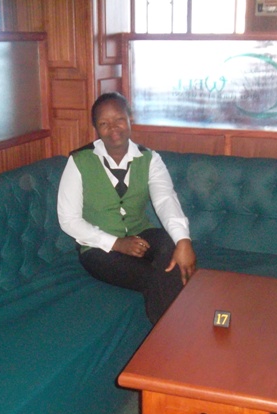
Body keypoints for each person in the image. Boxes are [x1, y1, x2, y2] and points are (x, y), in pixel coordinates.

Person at [57, 92, 197, 324]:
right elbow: (68, 220)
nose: (113, 127)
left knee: (171, 246)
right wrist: (117, 243)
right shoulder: (79, 161)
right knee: (154, 278)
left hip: (140, 233)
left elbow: (165, 200)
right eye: (104, 123)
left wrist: (183, 240)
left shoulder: (150, 159)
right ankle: (175, 334)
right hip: (98, 249)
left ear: (130, 118)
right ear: (96, 128)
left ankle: (181, 327)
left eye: (119, 119)